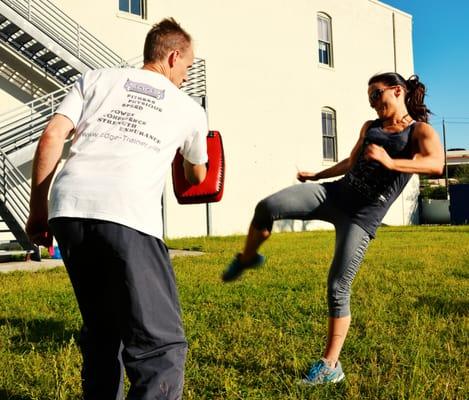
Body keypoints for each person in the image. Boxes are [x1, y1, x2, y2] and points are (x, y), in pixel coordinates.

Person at [222, 72, 444, 385]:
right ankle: (247, 257)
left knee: (338, 286)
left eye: (377, 94)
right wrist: (317, 176)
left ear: (397, 91)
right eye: (369, 97)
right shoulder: (371, 128)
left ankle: (330, 365)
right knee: (268, 207)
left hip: (361, 217)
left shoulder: (419, 132)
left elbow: (435, 164)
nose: (372, 102)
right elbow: (351, 162)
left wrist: (392, 163)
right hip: (333, 195)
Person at [26, 18, 208, 400]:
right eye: (188, 66)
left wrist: (38, 212)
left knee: (104, 329)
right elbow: (195, 175)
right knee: (160, 346)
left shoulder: (95, 79)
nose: (187, 75)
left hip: (69, 209)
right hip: (127, 213)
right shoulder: (188, 109)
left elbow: (52, 135)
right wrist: (200, 161)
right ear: (173, 56)